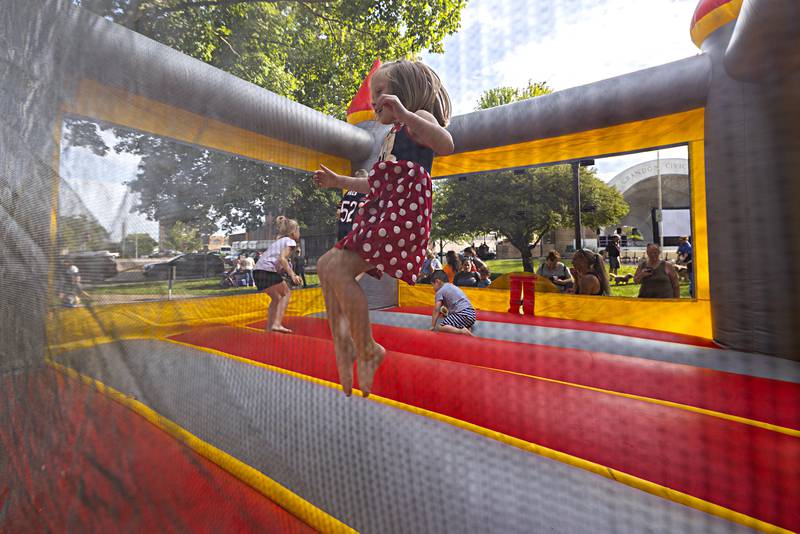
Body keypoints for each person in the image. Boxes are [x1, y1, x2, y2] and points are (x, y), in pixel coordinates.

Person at [313, 59, 453, 397]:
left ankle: (367, 347)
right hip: (383, 213)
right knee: (324, 265)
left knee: (341, 268)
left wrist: (405, 114)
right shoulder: (390, 138)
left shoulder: (418, 122)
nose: (375, 101)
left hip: (403, 219)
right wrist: (338, 181)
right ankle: (343, 342)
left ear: (405, 92)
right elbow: (375, 184)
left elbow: (446, 144)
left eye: (381, 92)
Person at [253, 216, 303, 333]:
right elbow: (282, 259)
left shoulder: (280, 241)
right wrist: (293, 275)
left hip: (257, 272)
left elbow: (278, 263)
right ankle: (277, 324)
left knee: (276, 298)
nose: (299, 234)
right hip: (266, 270)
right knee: (286, 293)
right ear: (293, 232)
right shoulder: (291, 241)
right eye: (298, 231)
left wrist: (283, 271)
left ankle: (270, 327)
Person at [430, 270, 476, 336]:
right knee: (454, 320)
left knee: (441, 327)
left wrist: (432, 325)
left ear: (437, 281)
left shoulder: (440, 291)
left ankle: (462, 331)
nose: (433, 288)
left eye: (432, 285)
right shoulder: (451, 286)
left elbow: (436, 309)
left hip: (462, 314)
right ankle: (467, 329)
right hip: (471, 314)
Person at [337, 169, 368, 241]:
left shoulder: (347, 192)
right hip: (353, 228)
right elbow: (361, 205)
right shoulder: (363, 191)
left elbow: (338, 212)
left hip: (342, 228)